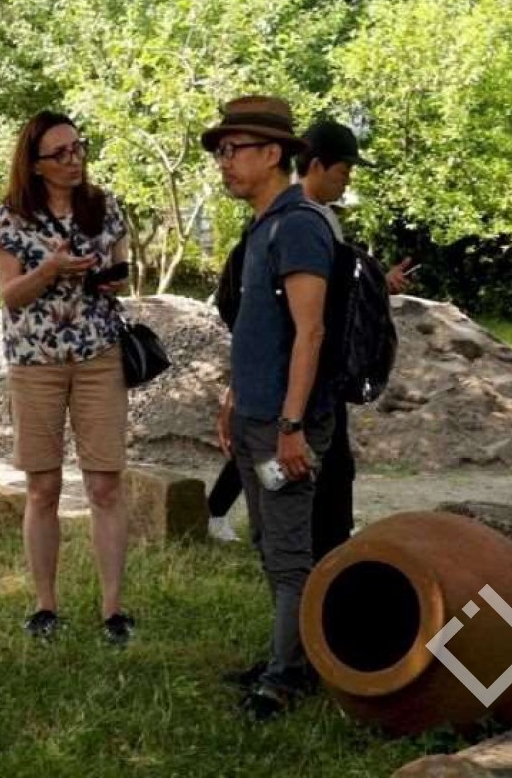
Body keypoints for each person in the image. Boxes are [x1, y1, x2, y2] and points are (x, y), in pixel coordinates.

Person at [204, 96, 336, 718]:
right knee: (269, 544)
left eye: (234, 150)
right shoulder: (262, 225)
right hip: (255, 418)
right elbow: (259, 331)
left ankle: (286, 679)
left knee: (288, 554)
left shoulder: (299, 225)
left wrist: (291, 426)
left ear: (274, 153)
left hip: (287, 424)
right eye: (221, 152)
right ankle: (287, 658)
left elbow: (311, 333)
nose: (224, 162)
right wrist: (234, 398)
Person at [0, 110, 135, 646]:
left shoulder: (105, 206)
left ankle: (113, 609)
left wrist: (111, 280)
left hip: (99, 356)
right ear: (35, 163)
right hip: (35, 361)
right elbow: (10, 296)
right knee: (43, 487)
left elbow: (121, 272)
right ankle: (45, 606)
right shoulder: (11, 218)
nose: (75, 160)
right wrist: (49, 270)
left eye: (79, 148)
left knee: (105, 484)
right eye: (61, 153)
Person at [294, 119, 410, 560]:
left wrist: (378, 282)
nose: (346, 182)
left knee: (335, 466)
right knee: (326, 468)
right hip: (312, 366)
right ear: (317, 166)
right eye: (343, 172)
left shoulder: (320, 219)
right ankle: (325, 556)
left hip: (323, 367)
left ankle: (330, 547)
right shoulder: (304, 221)